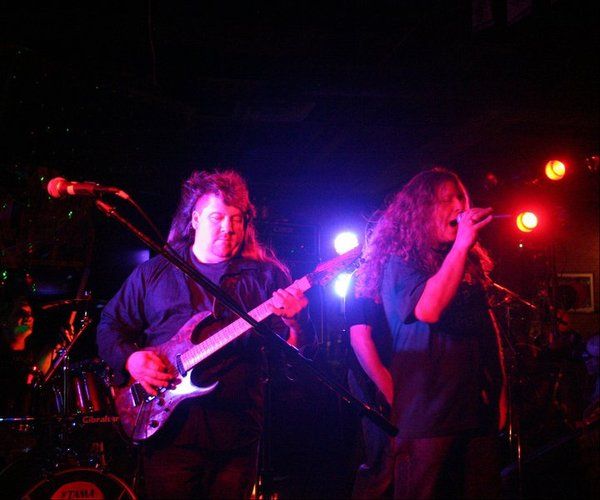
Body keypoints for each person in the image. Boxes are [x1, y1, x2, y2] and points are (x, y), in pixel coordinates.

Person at [96, 170, 312, 499]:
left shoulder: (267, 277)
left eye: (236, 219)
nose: (228, 227)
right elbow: (109, 326)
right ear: (195, 219)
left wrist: (296, 324)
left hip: (237, 430)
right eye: (217, 217)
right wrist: (131, 359)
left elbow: (292, 354)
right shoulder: (155, 272)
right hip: (168, 431)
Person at [356, 167, 507, 499]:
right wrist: (462, 246)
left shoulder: (466, 262)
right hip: (427, 415)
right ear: (422, 211)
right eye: (446, 199)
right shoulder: (401, 262)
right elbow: (429, 309)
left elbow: (487, 329)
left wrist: (500, 392)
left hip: (476, 410)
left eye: (461, 197)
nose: (459, 206)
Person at [344, 269, 394, 499]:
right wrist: (390, 390)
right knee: (383, 460)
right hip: (370, 375)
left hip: (406, 374)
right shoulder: (364, 276)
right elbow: (360, 339)